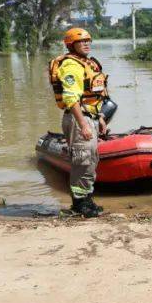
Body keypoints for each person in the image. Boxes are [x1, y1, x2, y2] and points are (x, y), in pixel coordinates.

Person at [49, 27, 110, 217]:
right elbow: (70, 98)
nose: (86, 44)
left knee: (90, 160)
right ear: (71, 44)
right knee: (82, 160)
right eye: (81, 41)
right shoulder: (71, 65)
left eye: (88, 41)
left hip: (90, 116)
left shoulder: (89, 63)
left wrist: (100, 118)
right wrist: (83, 124)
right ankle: (79, 204)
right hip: (78, 118)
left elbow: (96, 96)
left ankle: (87, 199)